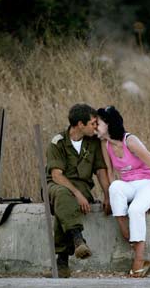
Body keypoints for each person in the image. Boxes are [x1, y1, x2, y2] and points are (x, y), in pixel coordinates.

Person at [96, 105, 150, 278]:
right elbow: (111, 173)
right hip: (128, 185)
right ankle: (125, 231)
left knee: (135, 210)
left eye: (98, 123)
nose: (95, 126)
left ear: (109, 124)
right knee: (115, 187)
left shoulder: (130, 141)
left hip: (147, 184)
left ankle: (139, 262)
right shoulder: (105, 145)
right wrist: (115, 197)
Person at [45, 103, 110, 278]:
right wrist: (77, 194)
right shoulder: (57, 142)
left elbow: (101, 171)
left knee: (64, 203)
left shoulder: (93, 143)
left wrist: (107, 195)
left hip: (82, 188)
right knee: (62, 194)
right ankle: (77, 237)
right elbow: (57, 176)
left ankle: (62, 262)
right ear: (80, 124)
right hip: (55, 186)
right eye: (93, 123)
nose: (96, 127)